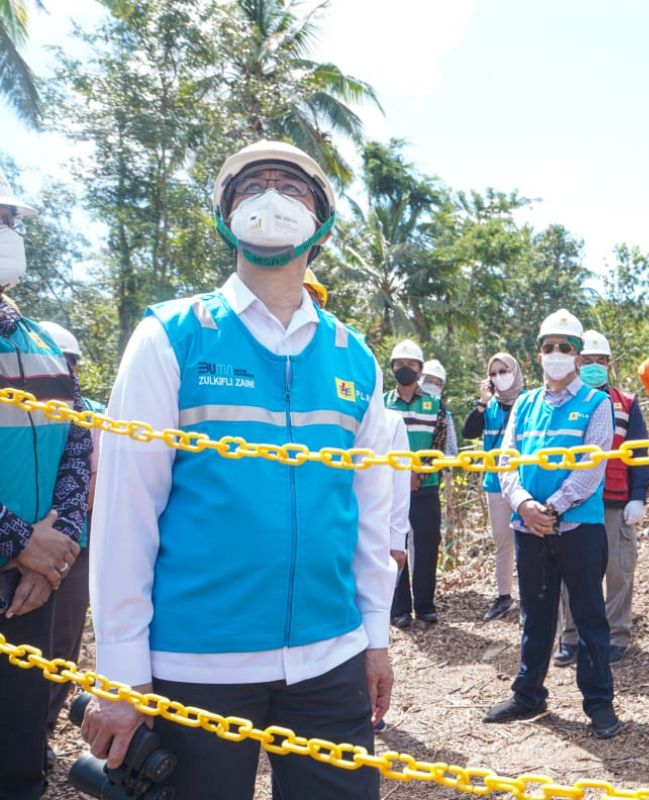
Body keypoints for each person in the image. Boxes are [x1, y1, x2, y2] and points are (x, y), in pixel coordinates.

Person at [81, 140, 394, 799]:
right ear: (225, 216)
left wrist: (374, 638)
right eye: (252, 187)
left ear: (324, 221)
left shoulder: (355, 358)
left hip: (329, 660)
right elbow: (123, 521)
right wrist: (122, 675)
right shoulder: (170, 338)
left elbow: (369, 516)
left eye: (292, 187)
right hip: (194, 663)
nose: (271, 198)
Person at [484, 308, 620, 739]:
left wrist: (554, 508)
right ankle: (528, 694)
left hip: (579, 527)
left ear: (578, 356)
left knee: (589, 616)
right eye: (549, 348)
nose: (556, 354)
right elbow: (507, 462)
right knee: (535, 615)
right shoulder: (524, 405)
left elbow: (591, 467)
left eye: (565, 348)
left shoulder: (597, 403)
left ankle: (598, 702)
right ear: (539, 354)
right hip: (529, 529)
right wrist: (524, 505)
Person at [0, 172, 90, 798]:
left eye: (10, 221)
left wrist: (54, 548)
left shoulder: (39, 344)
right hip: (18, 558)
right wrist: (13, 539)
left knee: (20, 745)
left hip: (34, 585)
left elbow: (79, 450)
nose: (7, 235)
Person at [555, 329, 649, 666]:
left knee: (619, 571)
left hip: (615, 502)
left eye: (600, 360)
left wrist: (638, 496)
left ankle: (616, 635)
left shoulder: (626, 403)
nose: (594, 365)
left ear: (609, 363)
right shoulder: (566, 401)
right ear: (577, 363)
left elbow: (640, 451)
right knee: (573, 574)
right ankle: (571, 637)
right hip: (576, 503)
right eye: (588, 361)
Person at [36, 321, 105, 741]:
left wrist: (55, 541)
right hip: (17, 547)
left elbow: (95, 483)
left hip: (72, 550)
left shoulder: (94, 415)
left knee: (61, 647)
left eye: (70, 365)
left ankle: (40, 731)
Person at [386, 339, 455, 630]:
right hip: (390, 489)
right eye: (400, 365)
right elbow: (374, 443)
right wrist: (401, 475)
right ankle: (399, 608)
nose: (405, 369)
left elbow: (439, 444)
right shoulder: (380, 403)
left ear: (420, 369)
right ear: (392, 369)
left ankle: (425, 606)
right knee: (393, 545)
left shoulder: (435, 405)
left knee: (427, 546)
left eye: (411, 365)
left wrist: (419, 474)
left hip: (425, 488)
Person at [461, 353, 527, 621]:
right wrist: (482, 402)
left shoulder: (529, 402)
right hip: (495, 481)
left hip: (524, 480)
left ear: (515, 371)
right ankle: (503, 597)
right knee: (502, 540)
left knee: (526, 540)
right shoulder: (488, 408)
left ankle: (529, 599)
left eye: (504, 371)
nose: (499, 376)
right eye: (494, 373)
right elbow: (468, 431)